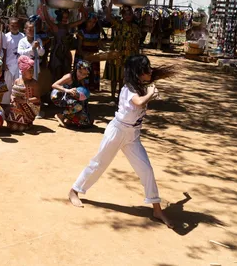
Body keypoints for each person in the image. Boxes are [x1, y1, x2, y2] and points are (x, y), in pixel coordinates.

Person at [67, 55, 173, 228]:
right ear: (139, 72)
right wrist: (151, 94)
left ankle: (156, 208)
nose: (150, 71)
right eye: (147, 69)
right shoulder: (129, 89)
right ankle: (74, 191)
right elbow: (138, 103)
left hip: (132, 136)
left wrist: (150, 92)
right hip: (117, 132)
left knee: (146, 170)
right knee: (98, 163)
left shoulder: (140, 86)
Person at [104, 0, 141, 101]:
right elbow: (108, 16)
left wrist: (137, 56)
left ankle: (120, 96)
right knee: (114, 76)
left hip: (130, 54)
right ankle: (112, 96)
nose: (128, 16)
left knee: (123, 77)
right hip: (117, 52)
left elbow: (137, 42)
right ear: (122, 15)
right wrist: (111, 2)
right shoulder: (118, 24)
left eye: (130, 14)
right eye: (125, 14)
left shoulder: (135, 27)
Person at [39, 5, 86, 81]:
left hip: (66, 53)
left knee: (66, 71)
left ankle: (64, 89)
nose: (65, 19)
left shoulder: (68, 26)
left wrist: (82, 9)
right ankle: (55, 89)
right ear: (59, 17)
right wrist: (44, 6)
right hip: (57, 53)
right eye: (63, 17)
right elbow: (47, 18)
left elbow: (83, 19)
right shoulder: (55, 27)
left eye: (66, 18)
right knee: (56, 70)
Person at [52, 60, 94, 128]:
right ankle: (61, 115)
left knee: (86, 122)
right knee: (78, 106)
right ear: (76, 69)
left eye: (85, 74)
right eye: (80, 72)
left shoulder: (81, 80)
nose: (81, 75)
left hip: (69, 96)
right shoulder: (69, 76)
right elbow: (54, 85)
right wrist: (67, 90)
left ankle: (69, 119)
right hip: (58, 96)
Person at [5, 55, 41, 131]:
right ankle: (21, 121)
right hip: (18, 105)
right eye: (29, 71)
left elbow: (37, 99)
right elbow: (12, 94)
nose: (32, 73)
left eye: (32, 71)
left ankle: (27, 121)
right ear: (23, 71)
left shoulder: (34, 83)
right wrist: (12, 99)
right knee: (12, 126)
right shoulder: (17, 81)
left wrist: (25, 101)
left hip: (30, 107)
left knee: (21, 128)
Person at [78, 12, 102, 92]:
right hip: (83, 57)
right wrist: (84, 55)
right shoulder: (81, 32)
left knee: (93, 74)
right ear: (86, 22)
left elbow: (99, 45)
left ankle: (90, 91)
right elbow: (79, 47)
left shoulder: (97, 32)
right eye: (90, 22)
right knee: (83, 76)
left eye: (94, 22)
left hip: (94, 57)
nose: (92, 24)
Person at [2, 17, 24, 105]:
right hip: (8, 64)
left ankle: (16, 104)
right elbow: (3, 50)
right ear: (8, 26)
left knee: (18, 85)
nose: (14, 27)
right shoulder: (6, 36)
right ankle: (5, 103)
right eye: (12, 25)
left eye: (16, 25)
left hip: (19, 65)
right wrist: (4, 63)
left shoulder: (22, 36)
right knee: (7, 85)